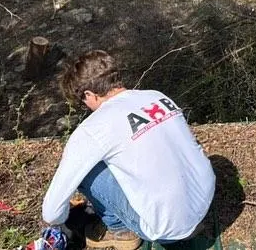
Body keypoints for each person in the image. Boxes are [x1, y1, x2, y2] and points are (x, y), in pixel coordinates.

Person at [41, 50, 216, 250]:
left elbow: (51, 212)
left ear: (89, 94)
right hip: (204, 203)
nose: (86, 106)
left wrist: (64, 217)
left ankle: (120, 229)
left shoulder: (93, 128)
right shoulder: (156, 96)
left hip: (166, 227)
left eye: (83, 101)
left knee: (85, 171)